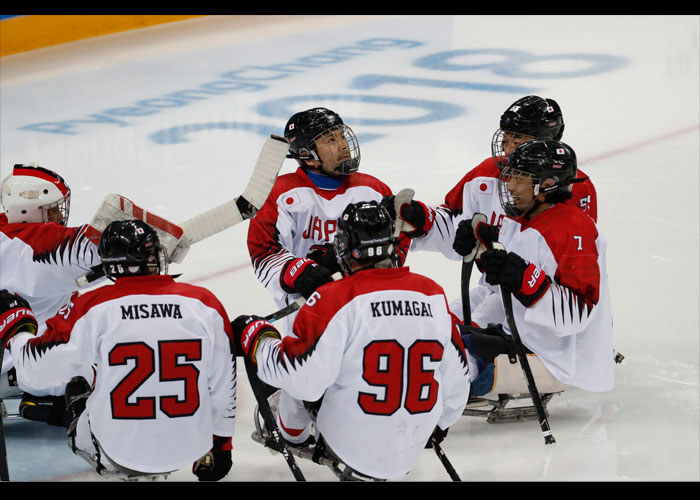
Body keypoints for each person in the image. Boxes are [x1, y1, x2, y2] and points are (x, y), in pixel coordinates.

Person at [234, 201, 470, 481]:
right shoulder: (432, 292)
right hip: (412, 446)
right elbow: (458, 377)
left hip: (351, 447)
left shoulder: (334, 298)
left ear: (345, 246)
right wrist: (440, 425)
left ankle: (292, 436)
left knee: (304, 358)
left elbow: (299, 379)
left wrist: (257, 336)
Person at [0, 219, 236, 480]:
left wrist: (17, 325)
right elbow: (224, 388)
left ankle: (99, 455)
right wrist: (222, 447)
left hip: (120, 452)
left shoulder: (92, 308)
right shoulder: (204, 304)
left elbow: (33, 372)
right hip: (192, 447)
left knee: (83, 380)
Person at [385, 96, 598, 321]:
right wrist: (420, 219)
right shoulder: (486, 174)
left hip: (542, 304)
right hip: (493, 289)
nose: (506, 150)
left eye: (516, 142)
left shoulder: (574, 190)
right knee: (439, 328)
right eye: (505, 140)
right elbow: (456, 224)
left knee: (460, 344)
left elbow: (572, 271)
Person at [455, 139, 614, 397]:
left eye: (519, 179)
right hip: (520, 339)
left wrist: (522, 277)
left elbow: (577, 315)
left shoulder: (573, 229)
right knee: (442, 336)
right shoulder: (525, 218)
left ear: (547, 186)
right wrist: (482, 245)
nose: (510, 185)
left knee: (450, 356)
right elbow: (507, 279)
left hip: (559, 360)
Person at [246, 107, 414, 330]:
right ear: (307, 155)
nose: (343, 144)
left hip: (370, 311)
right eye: (330, 139)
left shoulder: (372, 190)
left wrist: (367, 262)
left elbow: (398, 242)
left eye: (342, 136)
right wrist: (296, 270)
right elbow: (264, 251)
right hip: (310, 319)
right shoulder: (279, 193)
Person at [0, 163, 103, 425]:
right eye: (53, 208)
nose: (59, 214)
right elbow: (90, 248)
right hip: (22, 361)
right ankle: (43, 393)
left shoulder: (8, 235)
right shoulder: (34, 245)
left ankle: (38, 393)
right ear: (27, 208)